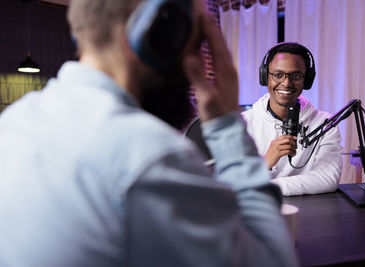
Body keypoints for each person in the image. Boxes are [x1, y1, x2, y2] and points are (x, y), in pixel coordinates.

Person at [0, 1, 299, 266]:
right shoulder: (152, 159)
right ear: (158, 36)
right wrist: (228, 127)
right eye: (197, 41)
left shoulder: (13, 123)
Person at [242, 42, 343, 196]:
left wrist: (263, 186)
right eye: (278, 74)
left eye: (296, 76)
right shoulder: (242, 124)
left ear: (306, 80)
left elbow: (328, 178)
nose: (286, 83)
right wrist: (266, 162)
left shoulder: (325, 124)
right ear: (265, 77)